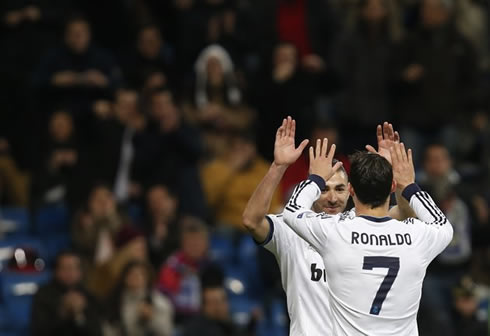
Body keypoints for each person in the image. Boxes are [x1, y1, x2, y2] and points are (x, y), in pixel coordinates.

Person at [242, 118, 414, 335]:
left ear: (350, 191)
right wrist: (278, 167)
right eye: (324, 188)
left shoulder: (363, 226)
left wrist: (390, 174)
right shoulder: (291, 230)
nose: (332, 198)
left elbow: (407, 215)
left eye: (339, 189)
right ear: (311, 189)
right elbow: (251, 220)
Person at [280, 138, 453, 335]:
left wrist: (316, 178)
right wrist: (409, 185)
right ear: (391, 187)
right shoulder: (416, 235)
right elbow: (443, 225)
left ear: (351, 189)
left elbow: (292, 210)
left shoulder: (335, 232)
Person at [31, 251, 103, 336]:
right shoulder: (43, 295)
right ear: (56, 271)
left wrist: (79, 315)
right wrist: (63, 312)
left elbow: (96, 332)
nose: (69, 273)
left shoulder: (88, 296)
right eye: (64, 268)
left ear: (80, 272)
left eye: (72, 268)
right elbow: (39, 331)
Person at [104, 260, 174, 336]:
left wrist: (152, 318)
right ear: (124, 278)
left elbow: (166, 331)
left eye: (140, 274)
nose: (135, 277)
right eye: (131, 274)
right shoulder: (115, 300)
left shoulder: (159, 301)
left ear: (148, 278)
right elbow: (108, 327)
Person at [182, 285, 251, 336]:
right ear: (204, 307)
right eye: (214, 302)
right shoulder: (195, 329)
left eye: (223, 300)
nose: (219, 307)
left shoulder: (231, 325)